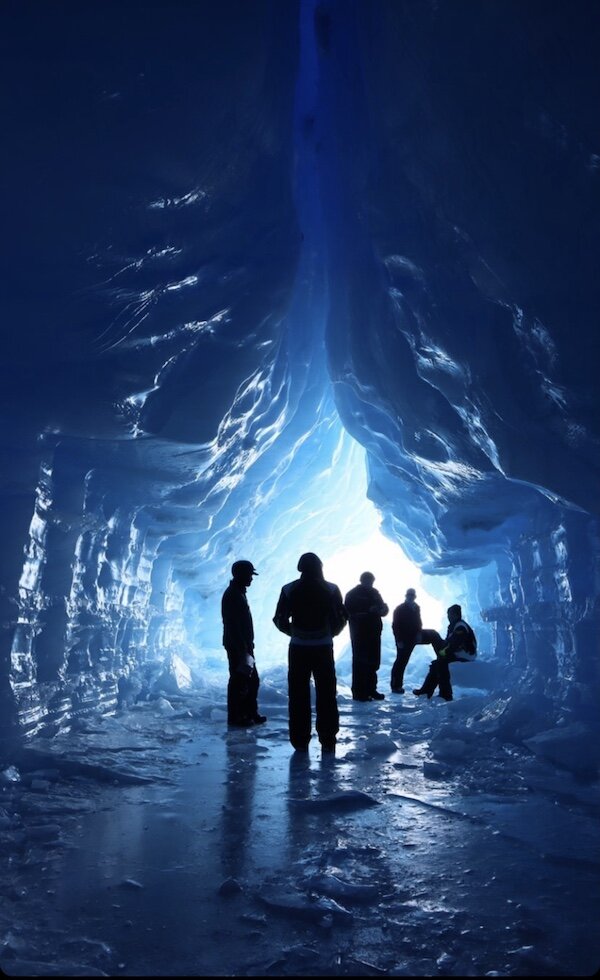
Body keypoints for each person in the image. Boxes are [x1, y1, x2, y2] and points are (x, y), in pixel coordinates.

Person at [273, 552, 347, 753]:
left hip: (298, 648)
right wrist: (330, 633)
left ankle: (299, 739)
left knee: (298, 694)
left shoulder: (288, 589)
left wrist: (295, 633)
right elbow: (341, 617)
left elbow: (279, 619)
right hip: (323, 647)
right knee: (327, 693)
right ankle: (328, 737)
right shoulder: (331, 588)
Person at [221, 560, 266, 727]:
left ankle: (248, 713)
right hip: (238, 646)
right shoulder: (233, 594)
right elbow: (232, 624)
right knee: (240, 681)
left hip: (241, 645)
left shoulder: (237, 592)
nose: (251, 579)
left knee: (249, 680)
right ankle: (237, 717)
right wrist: (242, 648)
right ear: (240, 574)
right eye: (249, 575)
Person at [413, 604, 477, 701]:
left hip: (464, 655)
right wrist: (444, 652)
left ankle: (445, 694)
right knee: (437, 662)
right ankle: (426, 691)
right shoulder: (455, 625)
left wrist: (444, 653)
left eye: (450, 614)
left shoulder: (460, 627)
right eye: (448, 614)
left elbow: (454, 644)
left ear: (455, 615)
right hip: (458, 653)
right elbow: (450, 643)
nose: (448, 617)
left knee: (439, 661)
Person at [344, 572, 389, 701]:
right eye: (368, 581)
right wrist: (367, 611)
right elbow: (347, 611)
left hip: (374, 632)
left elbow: (383, 608)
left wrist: (383, 610)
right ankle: (359, 693)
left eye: (371, 581)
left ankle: (371, 689)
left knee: (373, 662)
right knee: (360, 662)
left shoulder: (375, 593)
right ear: (362, 581)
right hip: (360, 633)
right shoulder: (353, 594)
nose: (370, 584)